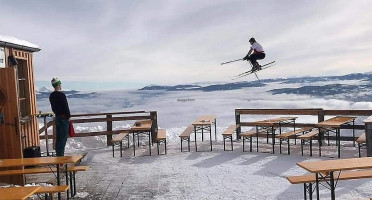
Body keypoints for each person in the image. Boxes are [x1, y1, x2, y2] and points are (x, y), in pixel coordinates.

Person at [49, 78, 71, 156]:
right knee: (63, 139)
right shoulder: (61, 95)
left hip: (58, 117)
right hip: (64, 118)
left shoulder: (51, 95)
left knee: (58, 138)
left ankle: (58, 156)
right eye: (60, 84)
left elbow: (53, 108)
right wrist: (68, 116)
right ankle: (61, 159)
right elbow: (66, 107)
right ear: (58, 85)